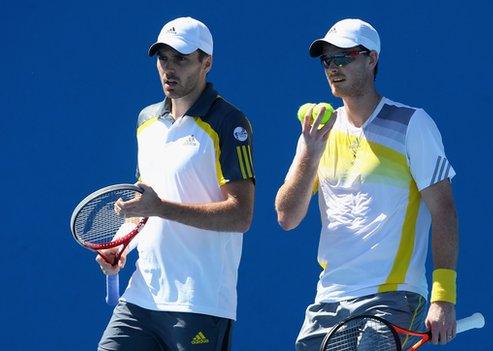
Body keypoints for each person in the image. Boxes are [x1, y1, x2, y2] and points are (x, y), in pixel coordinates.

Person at [275, 18, 459, 350]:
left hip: (392, 296)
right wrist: (310, 154)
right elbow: (287, 217)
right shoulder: (318, 132)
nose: (333, 67)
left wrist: (443, 296)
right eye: (327, 60)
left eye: (343, 57)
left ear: (371, 59)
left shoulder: (411, 124)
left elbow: (444, 210)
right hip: (328, 298)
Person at [96, 17, 255, 351]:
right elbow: (144, 204)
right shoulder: (146, 122)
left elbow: (241, 215)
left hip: (200, 301)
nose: (169, 68)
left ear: (206, 63)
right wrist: (119, 244)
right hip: (143, 296)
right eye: (163, 58)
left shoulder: (228, 123)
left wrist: (161, 208)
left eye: (181, 59)